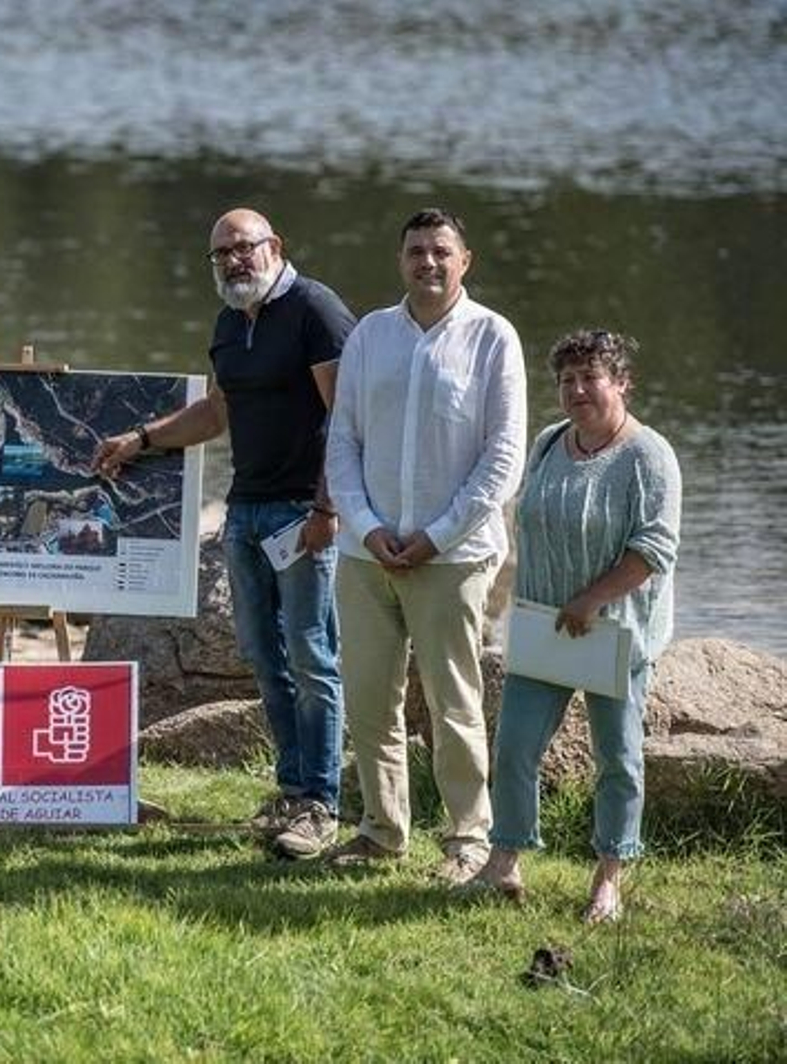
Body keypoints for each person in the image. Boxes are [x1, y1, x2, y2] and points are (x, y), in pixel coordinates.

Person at [95, 208, 354, 858]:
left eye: (246, 248)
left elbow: (349, 417)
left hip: (302, 514)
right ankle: (292, 790)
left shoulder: (314, 310)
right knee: (265, 659)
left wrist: (328, 510)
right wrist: (144, 439)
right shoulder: (229, 322)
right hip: (245, 511)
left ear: (276, 246)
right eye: (223, 254)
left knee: (312, 658)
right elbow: (217, 411)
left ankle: (322, 803)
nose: (236, 261)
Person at [323, 208, 527, 882]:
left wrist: (436, 536)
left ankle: (469, 839)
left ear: (465, 260)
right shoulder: (371, 336)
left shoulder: (493, 337)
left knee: (453, 701)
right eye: (415, 251)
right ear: (400, 260)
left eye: (441, 251)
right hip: (365, 555)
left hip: (454, 557)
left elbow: (504, 458)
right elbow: (343, 441)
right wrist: (365, 525)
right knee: (370, 700)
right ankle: (382, 830)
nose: (427, 263)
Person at [473, 330, 681, 922]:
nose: (578, 389)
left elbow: (654, 549)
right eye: (567, 380)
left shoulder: (649, 456)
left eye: (591, 377)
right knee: (513, 748)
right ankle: (504, 863)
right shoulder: (547, 443)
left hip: (617, 635)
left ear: (621, 383)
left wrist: (590, 599)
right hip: (543, 628)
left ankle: (609, 878)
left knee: (617, 757)